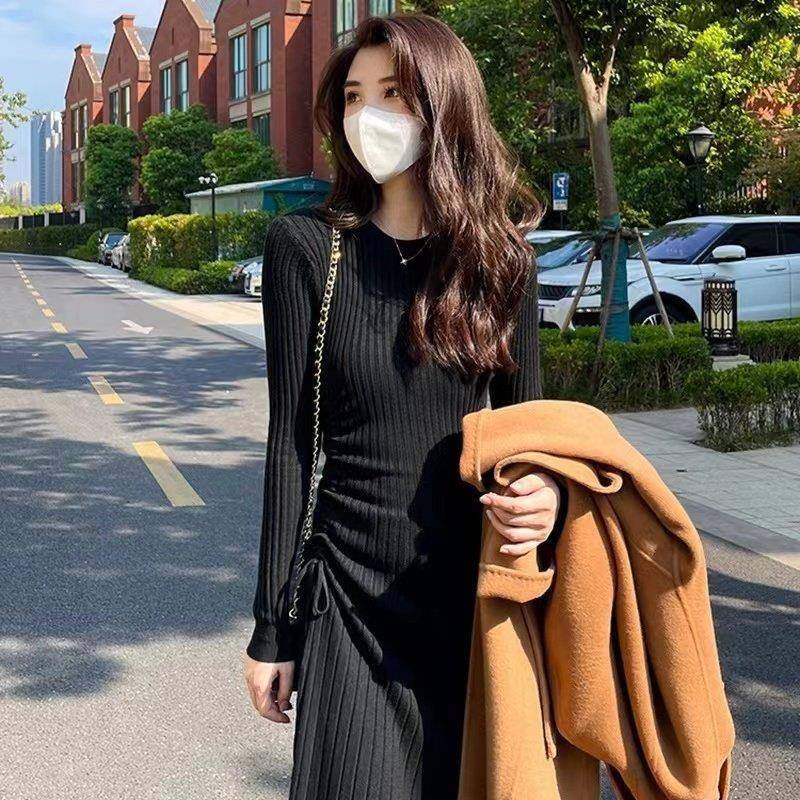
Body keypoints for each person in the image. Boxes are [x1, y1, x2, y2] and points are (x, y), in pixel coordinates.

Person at [243, 12, 563, 800]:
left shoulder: (502, 263)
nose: (367, 116)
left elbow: (528, 435)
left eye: (392, 93)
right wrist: (272, 628)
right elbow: (291, 443)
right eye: (353, 97)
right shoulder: (307, 248)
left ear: (443, 103)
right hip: (348, 598)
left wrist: (545, 495)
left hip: (472, 600)